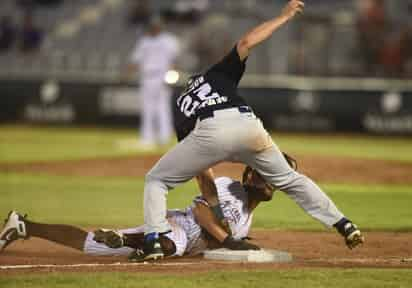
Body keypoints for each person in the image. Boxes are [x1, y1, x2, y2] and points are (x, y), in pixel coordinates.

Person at [140, 0, 364, 262]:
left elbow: (203, 174)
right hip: (248, 125)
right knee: (291, 180)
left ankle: (153, 241)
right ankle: (343, 224)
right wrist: (284, 16)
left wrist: (217, 212)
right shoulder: (216, 75)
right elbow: (247, 42)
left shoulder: (181, 103)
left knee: (157, 180)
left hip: (210, 130)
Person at [0, 166, 285, 258]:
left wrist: (234, 239)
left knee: (89, 244)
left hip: (187, 243)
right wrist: (227, 240)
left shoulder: (248, 216)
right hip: (181, 226)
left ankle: (24, 226)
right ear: (250, 178)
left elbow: (224, 233)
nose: (270, 183)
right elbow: (200, 211)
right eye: (265, 177)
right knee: (169, 244)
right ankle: (132, 242)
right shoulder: (231, 189)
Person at [127, 16, 180, 149]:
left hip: (161, 76)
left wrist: (171, 76)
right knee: (148, 108)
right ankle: (148, 137)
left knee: (162, 107)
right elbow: (135, 61)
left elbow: (174, 60)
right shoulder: (144, 41)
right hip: (147, 77)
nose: (155, 28)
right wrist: (127, 73)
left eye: (157, 25)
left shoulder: (169, 40)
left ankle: (164, 136)